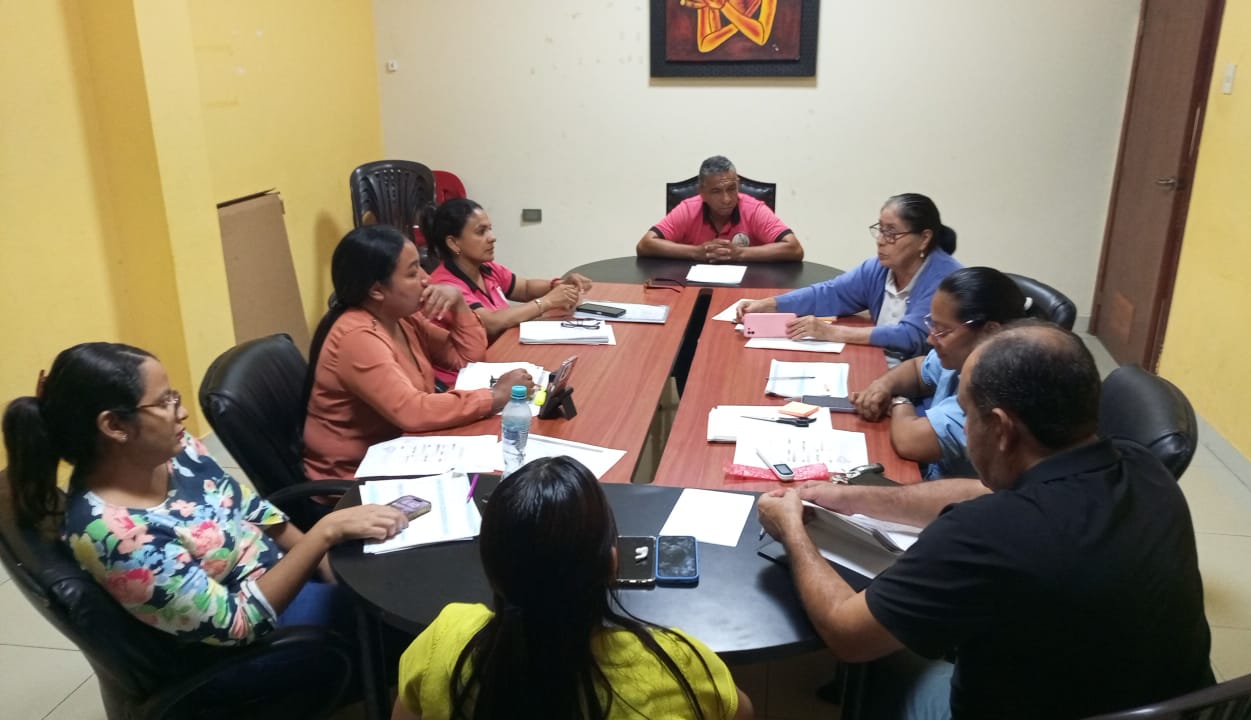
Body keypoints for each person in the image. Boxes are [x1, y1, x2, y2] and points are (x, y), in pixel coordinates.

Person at [757, 323, 1213, 719]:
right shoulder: (1143, 464)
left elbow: (847, 634)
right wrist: (852, 497)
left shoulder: (985, 533)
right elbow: (978, 490)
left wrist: (792, 530)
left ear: (1000, 428)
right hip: (1174, 708)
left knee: (880, 661)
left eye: (967, 414)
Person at [2, 342, 410, 648]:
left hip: (284, 575)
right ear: (114, 426)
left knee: (396, 569)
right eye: (164, 402)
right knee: (404, 618)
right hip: (257, 637)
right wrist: (323, 536)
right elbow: (238, 624)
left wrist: (320, 560)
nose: (181, 413)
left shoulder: (173, 452)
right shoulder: (117, 535)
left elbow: (249, 508)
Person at [392, 456, 753, 720]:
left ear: (492, 571)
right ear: (612, 564)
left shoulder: (445, 640)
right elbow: (742, 712)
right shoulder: (678, 663)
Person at [304, 225, 532, 480]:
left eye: (421, 267)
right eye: (413, 273)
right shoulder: (357, 337)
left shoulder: (401, 317)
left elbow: (467, 358)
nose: (427, 279)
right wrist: (494, 396)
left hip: (404, 450)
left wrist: (459, 304)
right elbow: (412, 411)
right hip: (354, 479)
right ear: (377, 290)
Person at [850, 266, 1025, 479]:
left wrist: (899, 401)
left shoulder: (996, 388)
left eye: (942, 330)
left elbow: (910, 441)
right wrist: (883, 385)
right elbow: (917, 368)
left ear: (990, 332)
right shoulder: (958, 355)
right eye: (932, 325)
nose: (930, 339)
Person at [735, 193, 961, 358]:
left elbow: (912, 337)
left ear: (924, 239)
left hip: (921, 384)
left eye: (891, 233)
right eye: (880, 230)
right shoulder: (879, 269)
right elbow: (830, 293)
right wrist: (770, 304)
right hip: (879, 362)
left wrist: (832, 332)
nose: (881, 240)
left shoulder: (946, 280)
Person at [428, 198, 594, 345]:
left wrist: (559, 285)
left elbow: (525, 288)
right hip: (473, 364)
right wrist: (548, 301)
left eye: (490, 229)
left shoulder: (487, 268)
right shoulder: (445, 286)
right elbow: (489, 324)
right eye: (481, 232)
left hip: (504, 348)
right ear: (453, 243)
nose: (492, 237)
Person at [637, 155, 803, 263]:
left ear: (738, 184)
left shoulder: (753, 209)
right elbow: (645, 245)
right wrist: (696, 252)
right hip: (692, 287)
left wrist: (740, 253)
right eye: (716, 191)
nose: (727, 199)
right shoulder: (688, 209)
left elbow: (794, 248)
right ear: (702, 192)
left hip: (748, 287)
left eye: (731, 188)